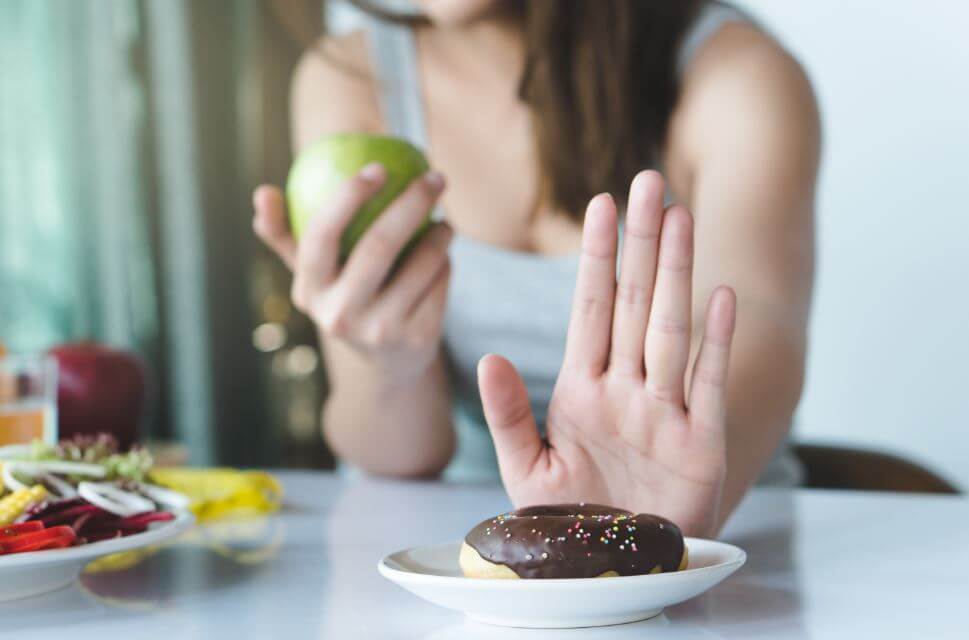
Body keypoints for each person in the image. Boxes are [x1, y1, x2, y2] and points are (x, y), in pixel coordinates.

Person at [252, 0, 819, 537]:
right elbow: (406, 459)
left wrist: (661, 506)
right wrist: (388, 362)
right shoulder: (349, 77)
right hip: (466, 560)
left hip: (723, 543)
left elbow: (762, 332)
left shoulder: (738, 75)